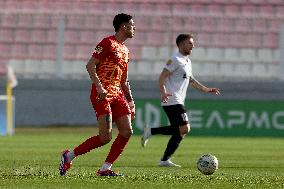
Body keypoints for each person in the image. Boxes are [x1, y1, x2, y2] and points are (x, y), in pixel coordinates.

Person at [59, 13, 136, 176]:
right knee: (105, 137)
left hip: (118, 94)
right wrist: (100, 88)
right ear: (124, 26)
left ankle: (105, 169)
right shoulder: (107, 43)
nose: (134, 28)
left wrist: (130, 100)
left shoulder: (126, 50)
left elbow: (124, 79)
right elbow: (90, 65)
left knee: (127, 131)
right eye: (132, 24)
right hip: (102, 94)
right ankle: (69, 156)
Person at [141, 33, 220, 167]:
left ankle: (163, 157)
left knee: (180, 131)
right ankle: (153, 136)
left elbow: (191, 80)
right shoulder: (175, 59)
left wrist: (206, 89)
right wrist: (163, 92)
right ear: (182, 44)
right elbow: (161, 78)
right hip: (172, 99)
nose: (193, 46)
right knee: (184, 128)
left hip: (178, 101)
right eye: (190, 43)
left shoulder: (187, 61)